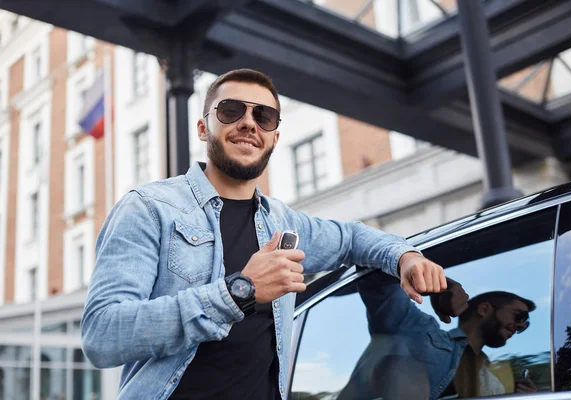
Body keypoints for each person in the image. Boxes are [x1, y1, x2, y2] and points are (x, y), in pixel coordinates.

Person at [81, 68, 448, 400]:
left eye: (263, 116)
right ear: (203, 127)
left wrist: (404, 256)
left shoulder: (282, 223)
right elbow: (102, 335)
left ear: (273, 137)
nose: (248, 123)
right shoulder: (149, 208)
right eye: (230, 111)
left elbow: (351, 238)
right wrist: (239, 291)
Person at [337, 271, 538, 400]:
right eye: (519, 316)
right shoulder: (417, 332)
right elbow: (373, 277)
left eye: (525, 324)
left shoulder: (498, 381)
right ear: (485, 309)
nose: (520, 325)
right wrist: (432, 280)